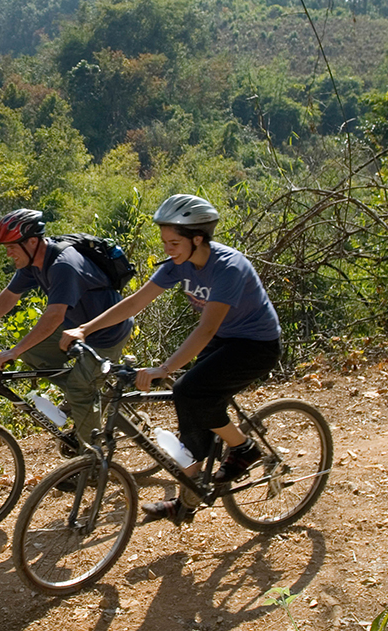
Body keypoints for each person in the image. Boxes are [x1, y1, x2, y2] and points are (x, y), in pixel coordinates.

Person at [61, 194, 281, 523]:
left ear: (198, 238)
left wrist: (164, 368)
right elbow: (135, 303)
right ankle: (186, 502)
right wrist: (85, 329)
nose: (168, 248)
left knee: (189, 391)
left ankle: (244, 448)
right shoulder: (179, 264)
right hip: (224, 340)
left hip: (256, 344)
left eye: (174, 242)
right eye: (164, 241)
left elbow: (205, 330)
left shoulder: (228, 268)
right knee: (192, 414)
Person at [0, 209, 134, 449]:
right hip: (74, 327)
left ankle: (92, 460)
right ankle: (84, 396)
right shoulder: (34, 262)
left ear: (32, 241)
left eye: (12, 247)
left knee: (80, 391)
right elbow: (10, 295)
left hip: (106, 332)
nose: (8, 253)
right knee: (34, 353)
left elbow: (53, 317)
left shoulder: (63, 265)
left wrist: (13, 352)